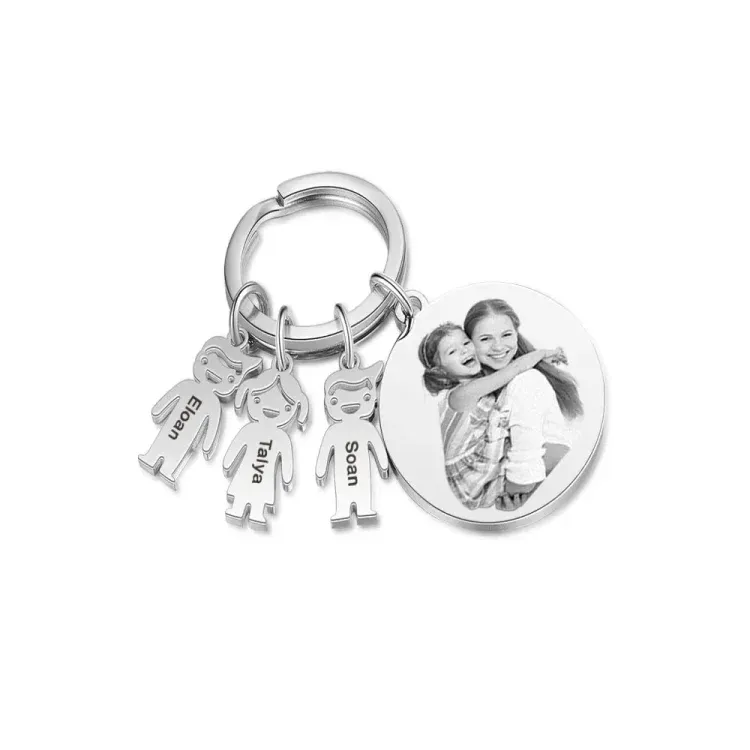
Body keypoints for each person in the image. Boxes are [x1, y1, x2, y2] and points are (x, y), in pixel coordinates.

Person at [419, 322, 565, 510]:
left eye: (466, 343)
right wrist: (544, 353)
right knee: (527, 383)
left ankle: (524, 490)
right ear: (441, 371)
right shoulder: (460, 395)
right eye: (452, 351)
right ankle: (521, 489)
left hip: (487, 467)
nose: (464, 351)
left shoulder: (480, 383)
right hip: (473, 479)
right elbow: (515, 369)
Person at [464, 299, 583, 509]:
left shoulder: (525, 381)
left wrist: (516, 495)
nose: (498, 346)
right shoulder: (489, 389)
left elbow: (525, 464)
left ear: (516, 334)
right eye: (485, 338)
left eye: (506, 335)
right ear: (469, 343)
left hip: (550, 490)